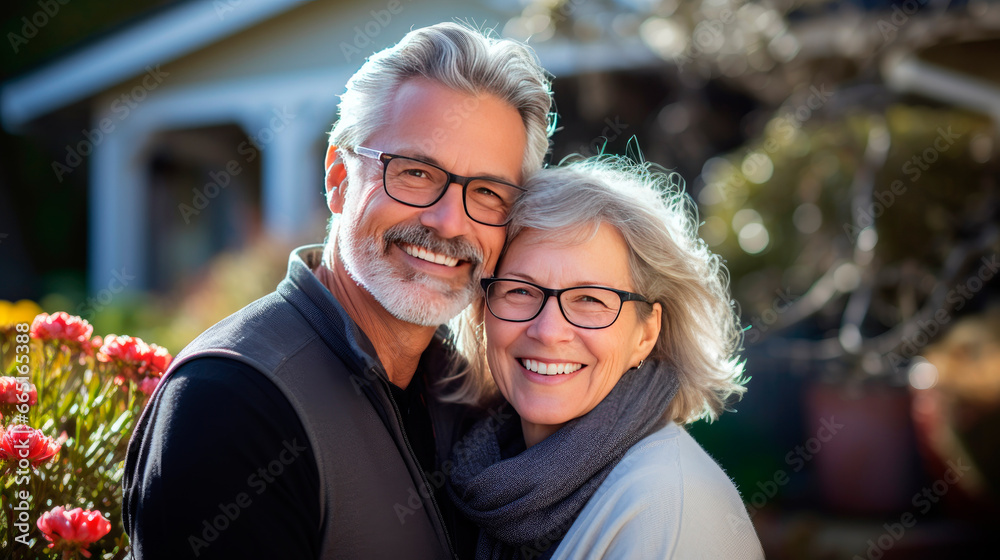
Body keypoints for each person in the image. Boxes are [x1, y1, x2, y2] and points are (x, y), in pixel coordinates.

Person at [123, 23, 552, 559]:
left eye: (487, 192)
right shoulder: (230, 403)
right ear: (338, 179)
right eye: (416, 172)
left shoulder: (467, 393)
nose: (447, 222)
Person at [446, 155, 765, 559]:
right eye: (520, 291)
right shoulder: (493, 478)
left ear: (646, 334)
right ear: (482, 310)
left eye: (590, 300)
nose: (547, 331)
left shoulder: (666, 509)